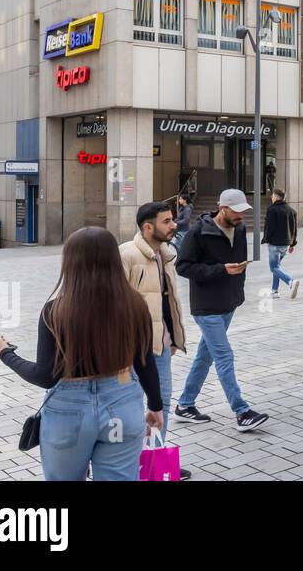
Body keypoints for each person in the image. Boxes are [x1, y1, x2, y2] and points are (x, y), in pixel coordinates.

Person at [0, 227, 162, 481]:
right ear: (114, 259)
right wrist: (156, 405)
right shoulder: (135, 305)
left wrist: (4, 353)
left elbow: (46, 376)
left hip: (68, 413)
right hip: (123, 405)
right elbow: (145, 363)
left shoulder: (55, 311)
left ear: (70, 263)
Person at [173, 189, 269, 433]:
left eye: (242, 212)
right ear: (222, 207)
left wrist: (238, 293)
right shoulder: (198, 232)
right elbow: (182, 267)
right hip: (206, 307)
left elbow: (240, 263)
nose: (240, 217)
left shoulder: (238, 229)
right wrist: (220, 270)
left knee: (205, 357)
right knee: (224, 356)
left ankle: (185, 405)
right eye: (236, 212)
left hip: (229, 302)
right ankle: (242, 411)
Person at [119, 201, 191, 479]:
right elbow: (115, 305)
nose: (174, 225)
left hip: (161, 346)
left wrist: (173, 337)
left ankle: (156, 460)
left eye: (173, 219)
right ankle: (131, 463)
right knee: (134, 405)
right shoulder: (126, 255)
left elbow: (167, 300)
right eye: (167, 221)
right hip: (134, 349)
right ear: (148, 227)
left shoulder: (166, 253)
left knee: (160, 402)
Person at [262, 188, 300, 299]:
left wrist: (267, 239)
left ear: (277, 197)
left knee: (273, 268)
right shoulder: (292, 210)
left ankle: (291, 281)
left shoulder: (272, 209)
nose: (271, 197)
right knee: (277, 267)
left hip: (274, 243)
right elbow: (294, 229)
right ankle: (275, 291)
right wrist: (293, 243)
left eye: (272, 195)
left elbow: (270, 227)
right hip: (286, 244)